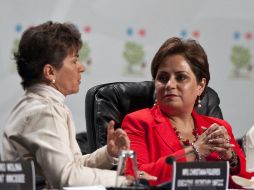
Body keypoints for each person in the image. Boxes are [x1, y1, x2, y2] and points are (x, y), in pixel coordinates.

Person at [2, 21, 155, 189]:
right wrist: (125, 180)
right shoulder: (45, 110)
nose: (81, 67)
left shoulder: (39, 104)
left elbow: (72, 167)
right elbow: (65, 178)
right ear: (50, 72)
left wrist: (108, 154)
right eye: (74, 61)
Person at [121, 37, 249, 188]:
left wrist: (231, 159)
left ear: (200, 86)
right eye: (163, 78)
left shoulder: (219, 127)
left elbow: (248, 181)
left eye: (180, 77)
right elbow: (134, 177)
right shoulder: (138, 122)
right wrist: (194, 152)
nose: (169, 84)